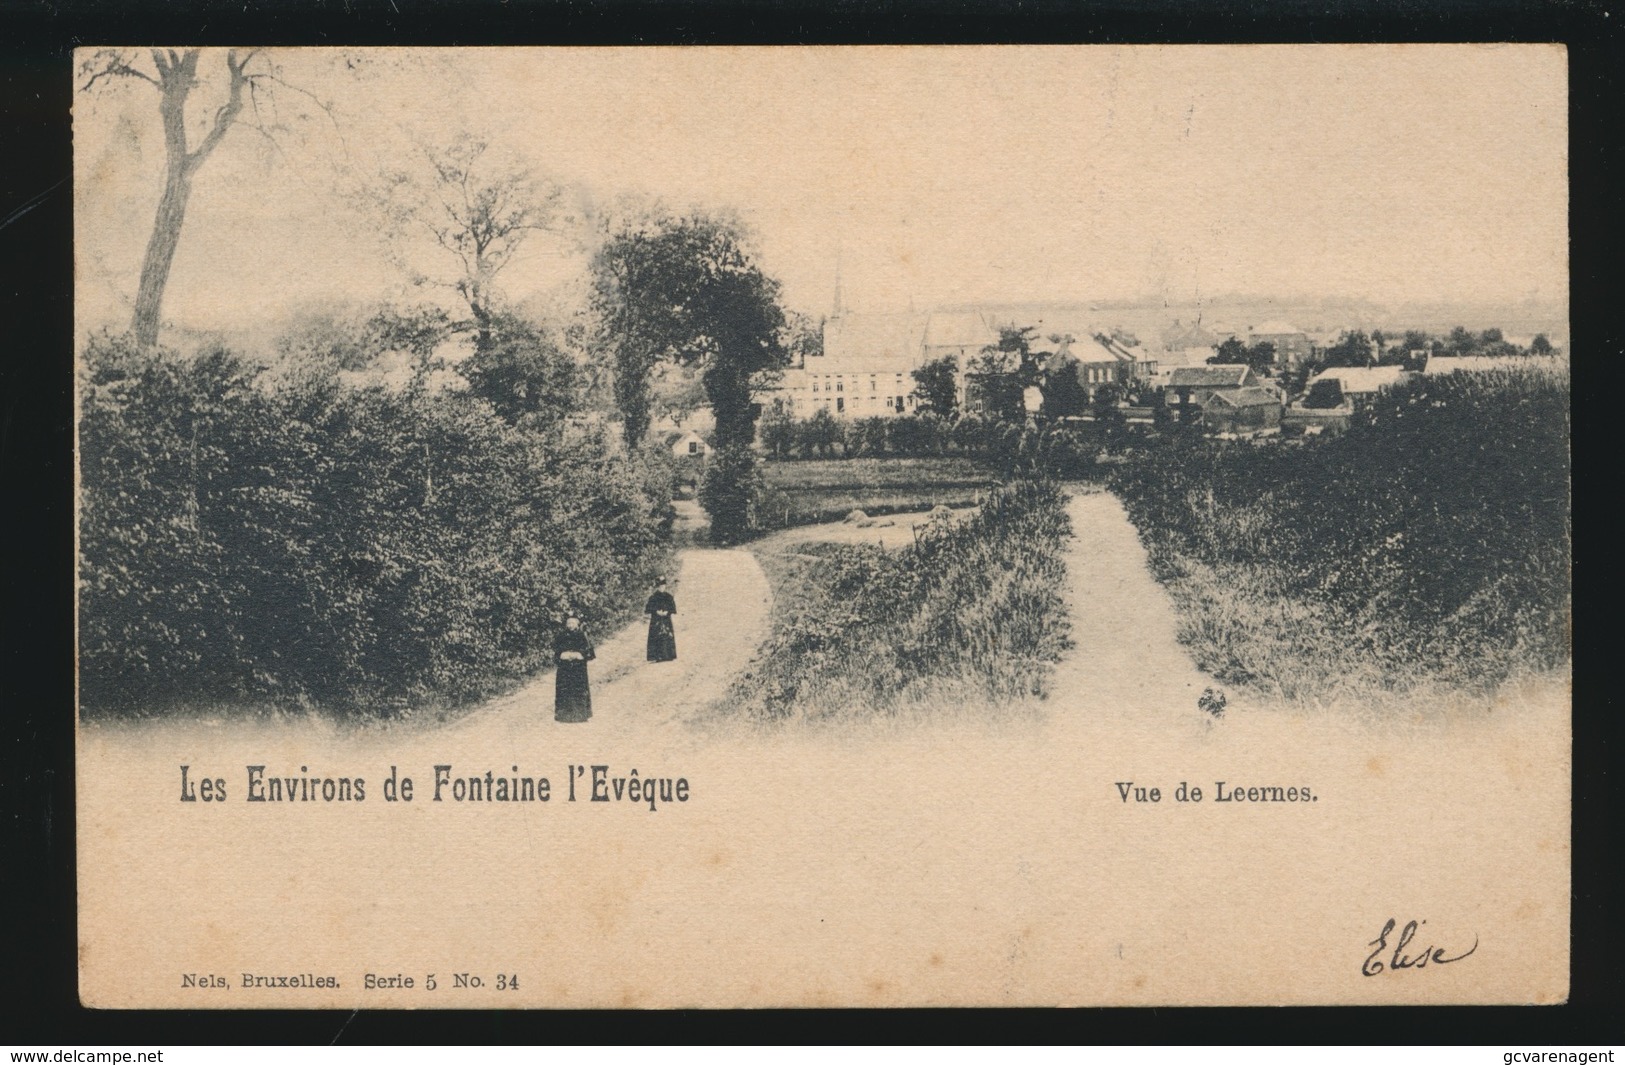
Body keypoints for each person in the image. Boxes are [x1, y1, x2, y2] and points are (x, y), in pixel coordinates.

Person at [553, 615, 595, 723]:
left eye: (573, 623)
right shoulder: (561, 636)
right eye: (568, 623)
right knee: (564, 689)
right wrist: (562, 655)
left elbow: (590, 652)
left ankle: (580, 715)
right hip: (564, 668)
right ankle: (564, 716)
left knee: (578, 690)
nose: (570, 625)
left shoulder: (582, 635)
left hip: (578, 669)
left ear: (577, 624)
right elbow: (555, 651)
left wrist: (580, 655)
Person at [644, 577, 677, 663]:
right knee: (656, 635)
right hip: (656, 620)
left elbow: (673, 608)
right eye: (660, 586)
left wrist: (667, 612)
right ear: (657, 587)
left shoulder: (669, 597)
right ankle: (657, 655)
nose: (661, 587)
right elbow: (648, 609)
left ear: (665, 586)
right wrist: (656, 611)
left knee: (667, 635)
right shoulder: (653, 597)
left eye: (663, 585)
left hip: (666, 619)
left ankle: (668, 655)